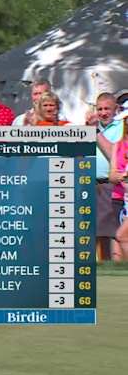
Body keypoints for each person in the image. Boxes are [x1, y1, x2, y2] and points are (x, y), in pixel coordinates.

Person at [88, 93, 124, 261]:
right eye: (99, 109)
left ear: (116, 109)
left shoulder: (121, 127)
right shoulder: (91, 127)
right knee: (95, 232)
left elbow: (114, 155)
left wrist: (95, 133)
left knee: (112, 233)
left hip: (112, 186)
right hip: (91, 184)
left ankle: (114, 267)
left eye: (107, 109)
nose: (103, 113)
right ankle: (101, 268)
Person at [109, 121, 128, 260]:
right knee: (117, 245)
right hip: (120, 198)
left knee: (121, 235)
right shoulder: (119, 145)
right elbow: (113, 176)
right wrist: (122, 176)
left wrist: (121, 176)